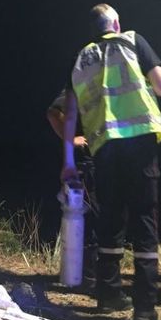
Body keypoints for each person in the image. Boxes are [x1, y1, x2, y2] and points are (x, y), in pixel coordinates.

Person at [61, 3, 161, 320]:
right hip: (139, 141)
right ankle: (144, 308)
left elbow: (69, 114)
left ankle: (108, 294)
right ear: (117, 24)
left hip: (103, 146)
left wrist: (67, 161)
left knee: (110, 218)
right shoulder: (133, 41)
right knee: (144, 219)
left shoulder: (80, 58)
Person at [47, 89, 98, 291]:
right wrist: (71, 139)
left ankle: (87, 275)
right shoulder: (77, 87)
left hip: (94, 163)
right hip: (84, 165)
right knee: (88, 217)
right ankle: (87, 277)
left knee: (92, 217)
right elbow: (53, 112)